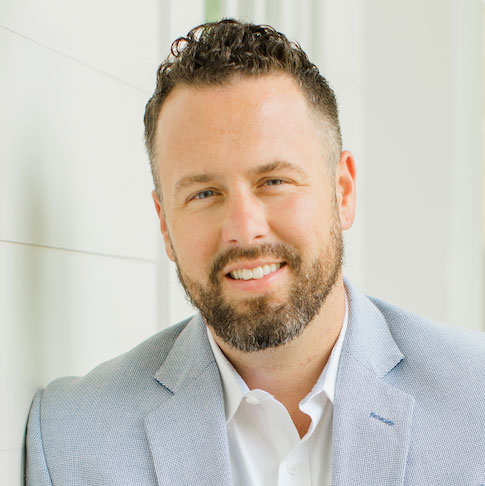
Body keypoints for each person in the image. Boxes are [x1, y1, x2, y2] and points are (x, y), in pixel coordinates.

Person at [26, 19, 485, 486]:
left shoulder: (477, 399)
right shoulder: (72, 439)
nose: (244, 230)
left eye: (274, 182)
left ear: (342, 192)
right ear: (165, 223)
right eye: (204, 193)